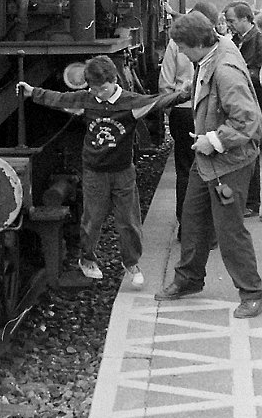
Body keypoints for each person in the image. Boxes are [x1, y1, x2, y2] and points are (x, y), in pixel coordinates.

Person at [17, 55, 185, 288]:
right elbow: (59, 98)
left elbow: (160, 101)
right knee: (92, 220)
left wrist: (187, 93)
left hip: (123, 172)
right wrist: (32, 92)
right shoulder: (87, 100)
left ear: (114, 80)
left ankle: (132, 263)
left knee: (129, 221)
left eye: (103, 89)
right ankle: (87, 259)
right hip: (94, 172)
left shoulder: (131, 103)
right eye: (94, 89)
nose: (99, 94)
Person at [155, 12, 262, 318]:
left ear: (199, 44)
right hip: (208, 161)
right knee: (192, 219)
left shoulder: (225, 70)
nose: (183, 56)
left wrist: (213, 140)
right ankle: (189, 278)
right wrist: (190, 91)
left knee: (229, 230)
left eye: (183, 49)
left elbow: (247, 120)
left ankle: (252, 291)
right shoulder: (215, 51)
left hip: (228, 162)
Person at [159, 1, 219, 238]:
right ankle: (210, 230)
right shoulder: (220, 45)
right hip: (209, 112)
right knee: (211, 169)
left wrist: (170, 111)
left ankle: (186, 228)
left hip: (182, 111)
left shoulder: (175, 44)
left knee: (184, 170)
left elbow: (165, 82)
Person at [224, 1, 262, 217]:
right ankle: (243, 200)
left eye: (232, 21)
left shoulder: (257, 40)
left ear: (246, 19)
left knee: (252, 152)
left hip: (254, 105)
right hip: (243, 103)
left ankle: (252, 202)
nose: (229, 25)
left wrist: (242, 72)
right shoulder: (236, 40)